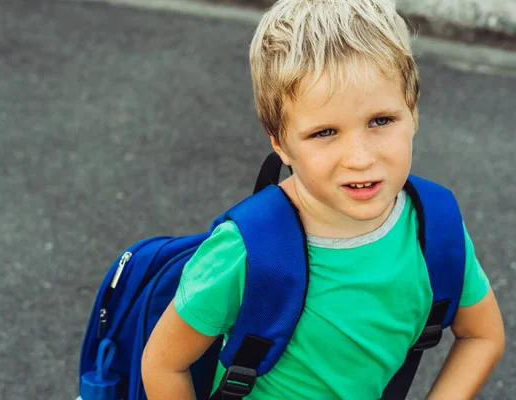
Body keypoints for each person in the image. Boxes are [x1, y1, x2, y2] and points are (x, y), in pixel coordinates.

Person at [140, 0, 505, 398]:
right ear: (279, 142)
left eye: (381, 121)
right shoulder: (245, 253)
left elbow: (482, 335)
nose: (361, 158)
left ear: (412, 111)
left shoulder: (436, 227)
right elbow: (163, 363)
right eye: (324, 133)